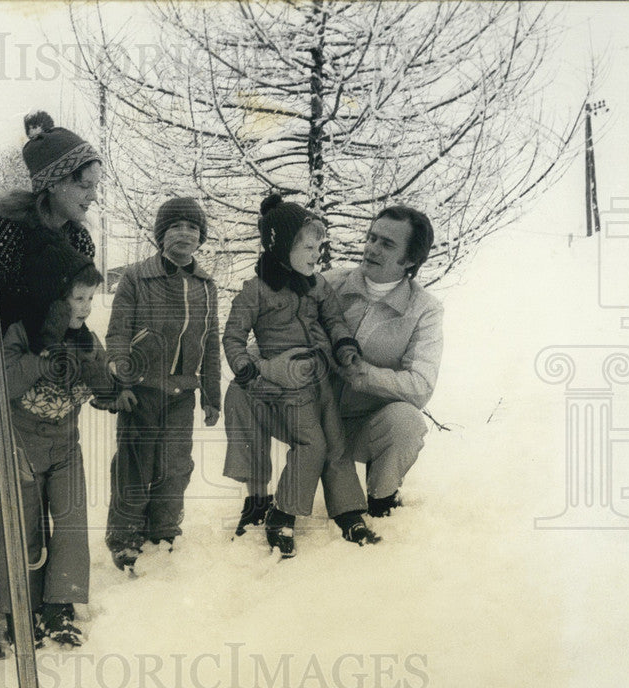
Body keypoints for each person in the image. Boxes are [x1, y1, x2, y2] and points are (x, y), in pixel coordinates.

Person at [0, 110, 102, 660]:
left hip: (28, 366)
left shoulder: (78, 237)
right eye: (84, 184)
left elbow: (73, 311)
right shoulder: (0, 232)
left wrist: (71, 366)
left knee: (34, 480)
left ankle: (43, 599)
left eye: (95, 184)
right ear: (52, 182)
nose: (92, 196)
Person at [221, 194, 371, 559]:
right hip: (285, 383)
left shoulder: (317, 285)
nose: (315, 255)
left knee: (335, 443)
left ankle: (348, 510)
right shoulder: (256, 290)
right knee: (311, 444)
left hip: (320, 378)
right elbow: (233, 336)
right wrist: (247, 370)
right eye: (307, 246)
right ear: (282, 245)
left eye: (318, 247)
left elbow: (334, 319)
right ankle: (282, 514)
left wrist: (344, 345)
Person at [0, 254, 125, 648]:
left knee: (70, 521)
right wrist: (42, 360)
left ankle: (60, 606)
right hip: (22, 446)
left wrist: (113, 392)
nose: (86, 308)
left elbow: (102, 380)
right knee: (24, 525)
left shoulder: (87, 340)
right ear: (55, 299)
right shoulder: (22, 331)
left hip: (66, 446)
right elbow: (6, 378)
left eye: (91, 300)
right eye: (78, 299)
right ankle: (20, 606)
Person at [104, 197, 221, 572]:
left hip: (182, 392)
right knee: (136, 463)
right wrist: (121, 382)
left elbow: (211, 342)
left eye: (192, 227)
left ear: (200, 237)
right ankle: (124, 536)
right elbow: (118, 335)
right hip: (141, 389)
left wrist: (212, 395)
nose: (184, 234)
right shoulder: (137, 278)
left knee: (175, 464)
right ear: (160, 235)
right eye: (175, 226)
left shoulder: (205, 286)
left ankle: (164, 528)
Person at [320, 205, 443, 521]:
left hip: (362, 427)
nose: (371, 248)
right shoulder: (328, 284)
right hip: (310, 417)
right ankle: (260, 499)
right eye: (371, 238)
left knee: (407, 421)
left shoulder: (424, 310)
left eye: (387, 244)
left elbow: (421, 386)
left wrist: (364, 374)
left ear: (411, 260)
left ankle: (382, 499)